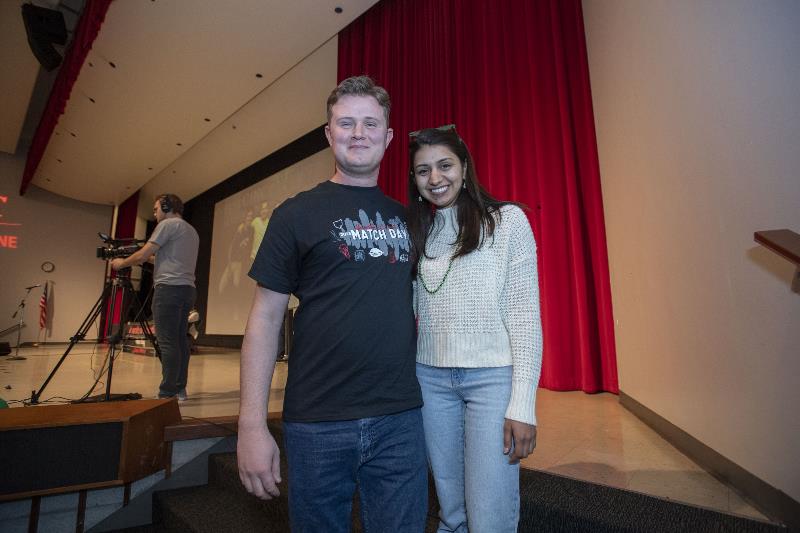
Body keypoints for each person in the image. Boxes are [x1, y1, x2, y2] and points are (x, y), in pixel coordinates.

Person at [237, 76, 427, 532]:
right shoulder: (293, 214)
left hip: (400, 420)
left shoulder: (408, 219)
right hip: (317, 422)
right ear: (328, 133)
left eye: (370, 123)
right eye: (346, 123)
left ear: (388, 137)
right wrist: (251, 425)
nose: (358, 133)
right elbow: (264, 321)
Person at [407, 125, 543, 533]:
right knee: (451, 514)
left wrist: (523, 405)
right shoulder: (418, 233)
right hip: (430, 382)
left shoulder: (508, 222)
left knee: (489, 517)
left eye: (445, 165)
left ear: (464, 168)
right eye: (423, 170)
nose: (435, 178)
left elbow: (524, 316)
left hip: (491, 382)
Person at [111, 193, 199, 401]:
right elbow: (164, 258)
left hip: (168, 289)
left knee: (167, 342)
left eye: (156, 209)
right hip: (187, 289)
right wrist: (143, 258)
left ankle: (167, 392)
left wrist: (121, 263)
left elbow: (143, 255)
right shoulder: (190, 230)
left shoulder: (167, 225)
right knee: (180, 341)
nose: (155, 214)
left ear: (166, 207)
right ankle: (179, 389)